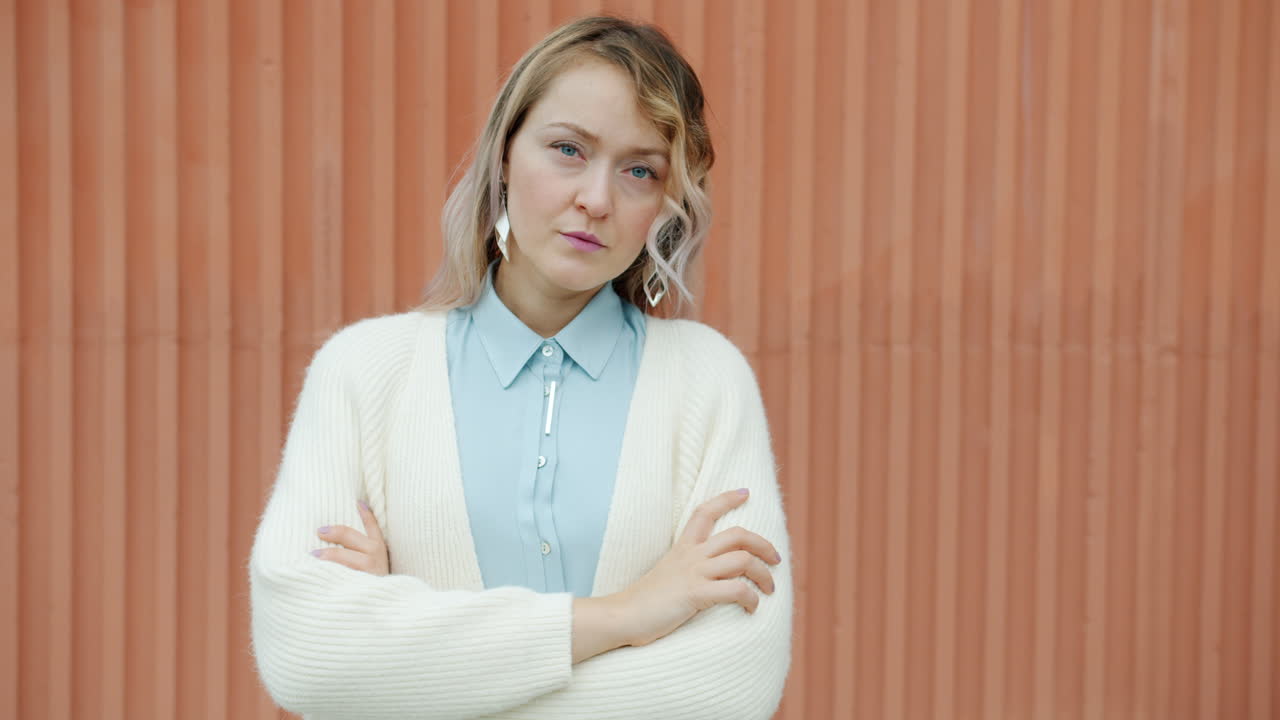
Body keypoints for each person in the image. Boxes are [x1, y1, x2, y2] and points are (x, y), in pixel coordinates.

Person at [248, 15, 792, 720]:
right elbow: (308, 656)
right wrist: (625, 616)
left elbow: (729, 689)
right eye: (568, 149)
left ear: (666, 203)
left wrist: (410, 662)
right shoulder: (363, 372)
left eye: (639, 170)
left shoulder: (707, 383)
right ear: (504, 155)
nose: (596, 199)